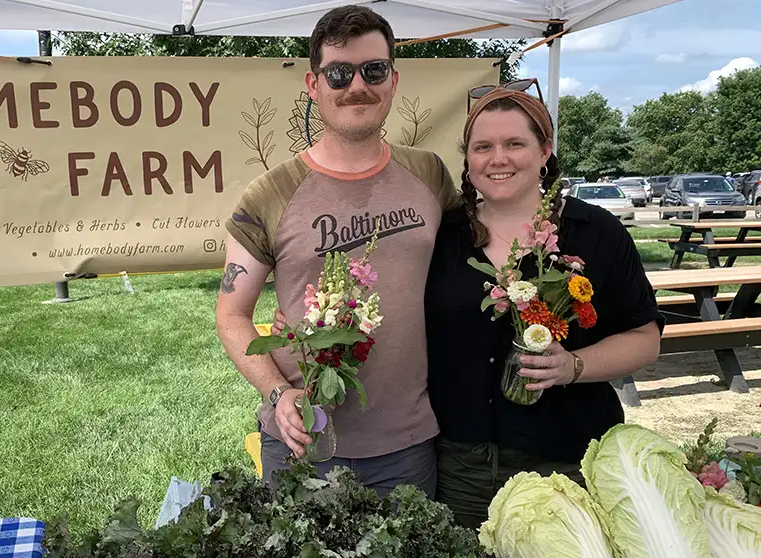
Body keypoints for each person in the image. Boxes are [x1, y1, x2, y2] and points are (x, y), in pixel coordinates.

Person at [271, 82, 664, 528]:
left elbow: (644, 339)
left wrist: (572, 366)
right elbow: (378, 284)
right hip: (462, 466)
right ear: (468, 158)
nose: (498, 158)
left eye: (515, 143)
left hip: (570, 456)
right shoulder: (441, 234)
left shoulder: (596, 232)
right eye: (483, 147)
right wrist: (305, 317)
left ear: (545, 150)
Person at [215, 4, 461, 498]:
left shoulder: (431, 176)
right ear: (313, 84)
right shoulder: (270, 194)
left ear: (393, 80)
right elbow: (232, 314)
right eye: (338, 73)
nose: (357, 86)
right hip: (302, 441)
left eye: (373, 70)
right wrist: (277, 393)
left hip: (408, 445)